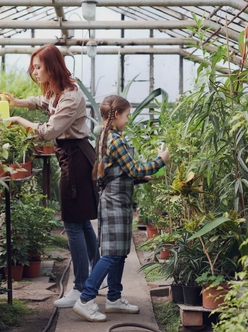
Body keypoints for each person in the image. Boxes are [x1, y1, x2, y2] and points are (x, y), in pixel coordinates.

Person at [1, 44, 100, 308]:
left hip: (77, 158)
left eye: (38, 67)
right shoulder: (57, 92)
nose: (34, 72)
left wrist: (20, 121)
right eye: (33, 67)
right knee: (82, 222)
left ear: (52, 67)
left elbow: (48, 131)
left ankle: (81, 288)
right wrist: (17, 102)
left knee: (72, 222)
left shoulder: (70, 97)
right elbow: (41, 102)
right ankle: (96, 275)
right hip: (73, 156)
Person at [72, 95, 170, 322]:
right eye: (126, 115)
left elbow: (120, 174)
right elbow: (133, 169)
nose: (128, 119)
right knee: (111, 255)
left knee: (119, 253)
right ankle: (85, 299)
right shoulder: (116, 140)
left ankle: (114, 298)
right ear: (116, 115)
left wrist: (145, 177)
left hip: (117, 201)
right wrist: (160, 160)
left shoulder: (108, 138)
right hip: (115, 204)